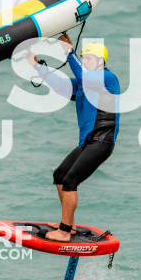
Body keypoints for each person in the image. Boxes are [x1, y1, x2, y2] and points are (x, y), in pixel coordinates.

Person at [24, 34, 120, 243]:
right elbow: (61, 86)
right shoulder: (85, 83)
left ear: (101, 62)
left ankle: (65, 232)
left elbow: (86, 77)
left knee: (70, 180)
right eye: (83, 58)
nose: (85, 61)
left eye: (89, 58)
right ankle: (68, 224)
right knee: (60, 175)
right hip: (89, 141)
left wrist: (69, 51)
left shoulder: (107, 78)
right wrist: (37, 66)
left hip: (102, 141)